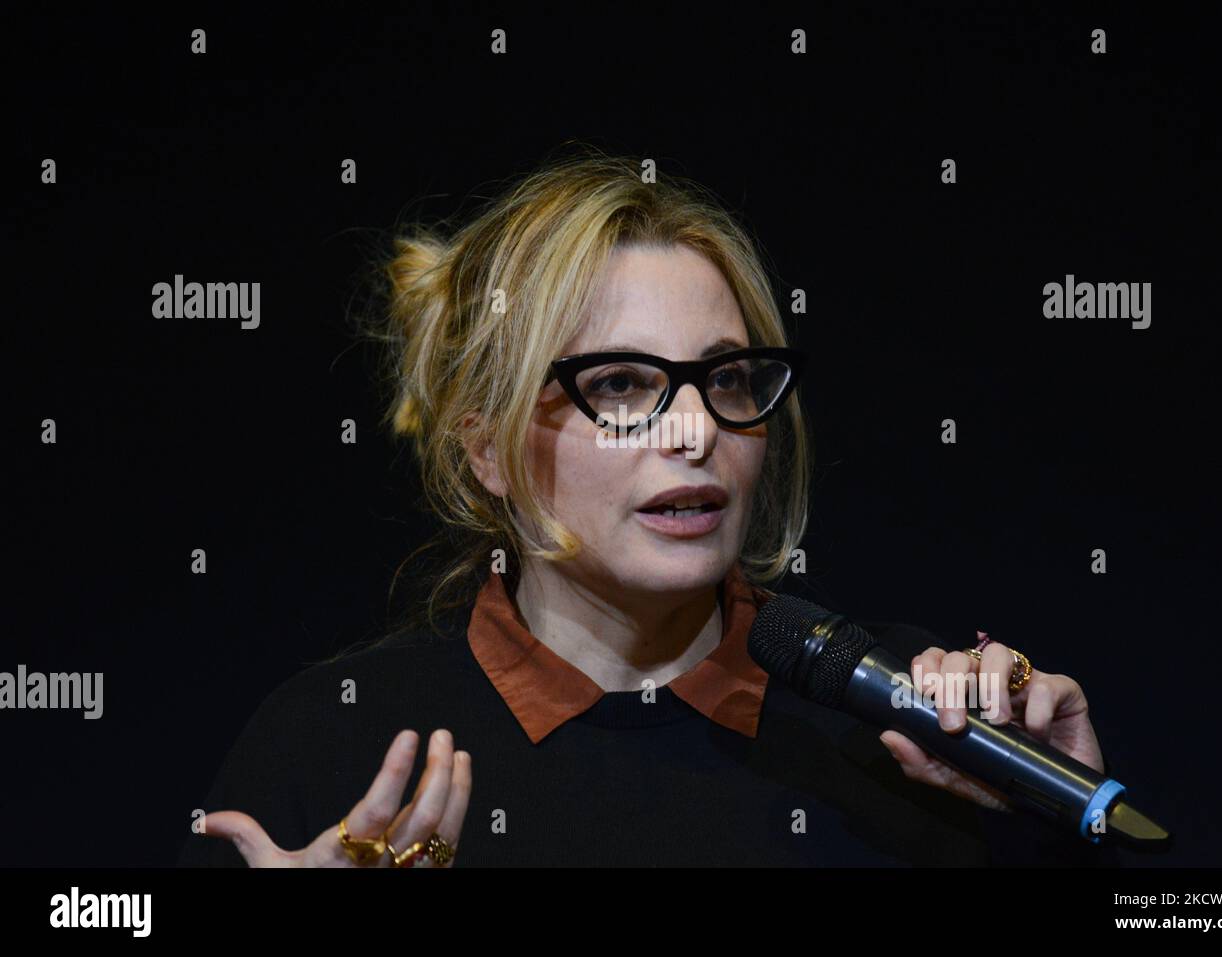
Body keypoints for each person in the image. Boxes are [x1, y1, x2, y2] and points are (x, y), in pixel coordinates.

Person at [179, 145, 1119, 868]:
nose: (693, 430)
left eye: (726, 376)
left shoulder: (911, 724)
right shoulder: (328, 744)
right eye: (623, 383)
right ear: (486, 447)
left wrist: (1068, 822)